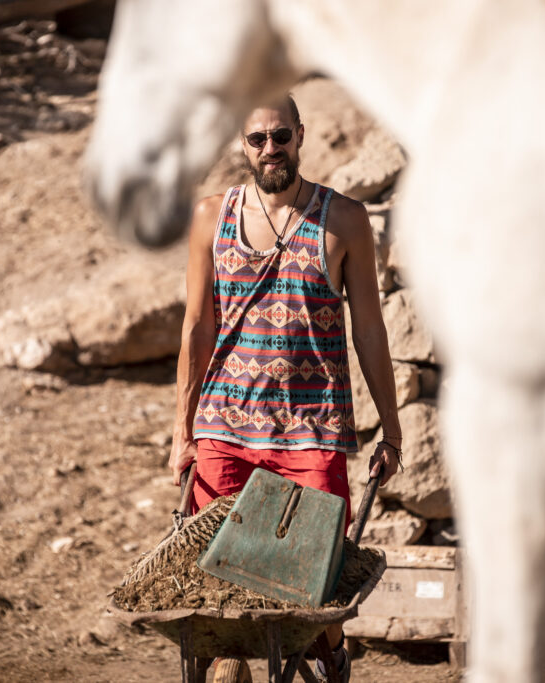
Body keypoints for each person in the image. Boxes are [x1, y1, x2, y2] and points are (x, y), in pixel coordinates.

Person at [170, 94, 402, 682]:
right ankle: (227, 667)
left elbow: (369, 329)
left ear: (301, 135)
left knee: (316, 589)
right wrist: (181, 433)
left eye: (280, 137)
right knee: (216, 582)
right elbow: (197, 327)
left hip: (313, 430)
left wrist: (392, 429)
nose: (269, 149)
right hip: (224, 426)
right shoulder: (210, 218)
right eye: (256, 140)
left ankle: (328, 660)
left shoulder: (343, 219)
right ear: (241, 145)